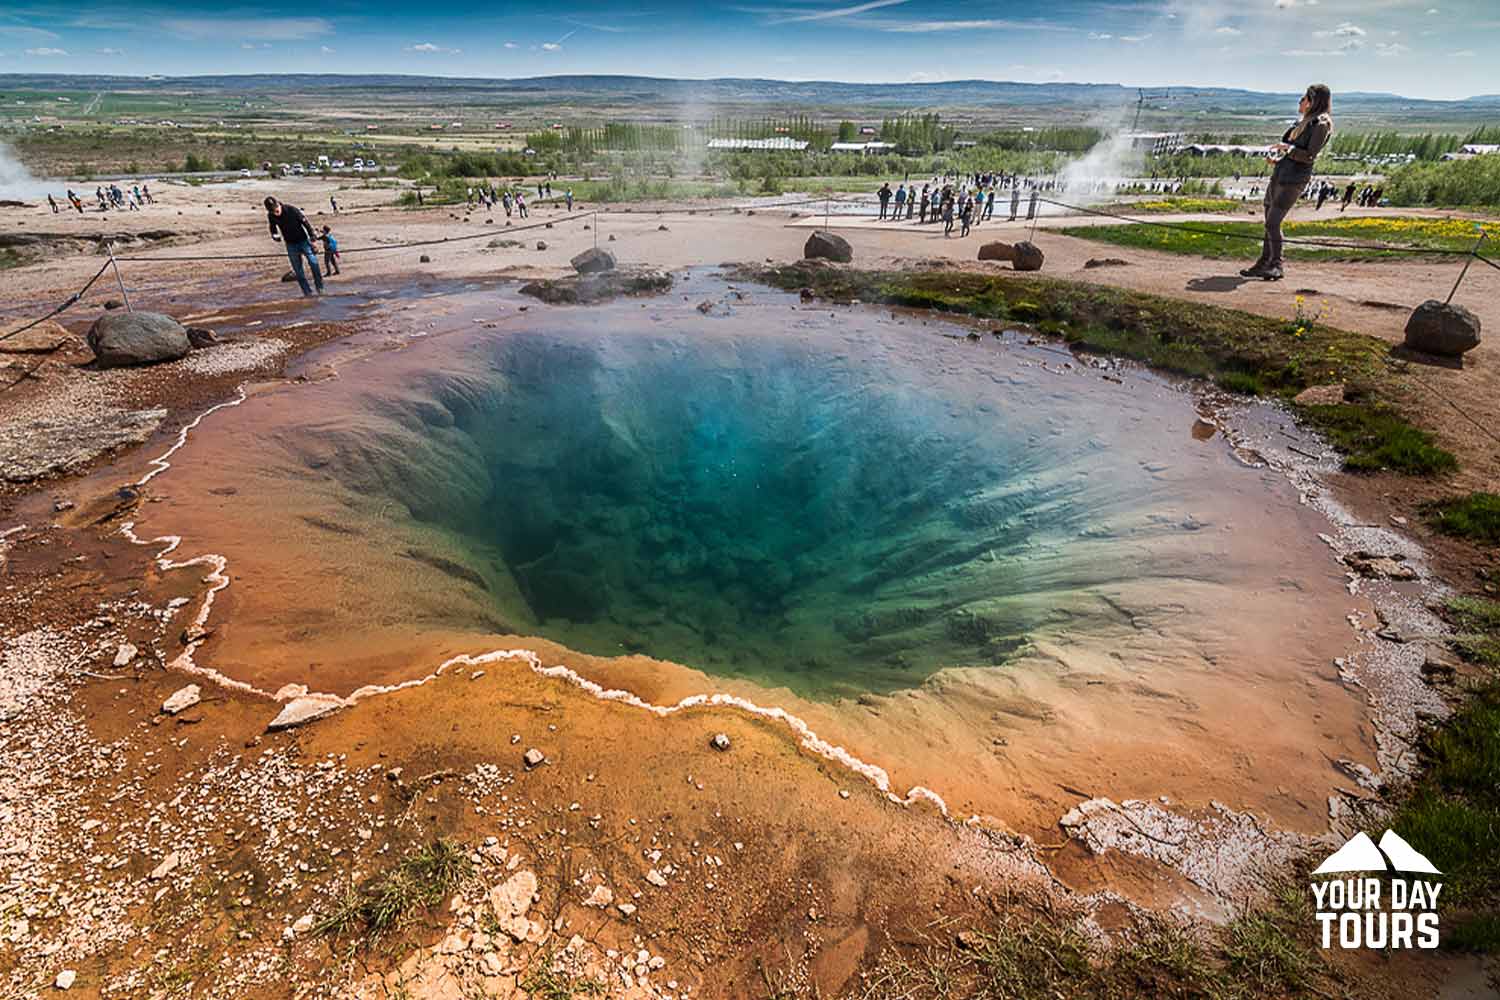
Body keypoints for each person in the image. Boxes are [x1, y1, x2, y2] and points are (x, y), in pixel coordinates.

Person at [1241, 84, 1332, 282]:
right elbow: (1291, 150)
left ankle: (1276, 265)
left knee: (1273, 222)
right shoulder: (1303, 122)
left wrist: (1287, 149)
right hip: (1280, 174)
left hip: (1294, 179)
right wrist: (1278, 159)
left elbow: (1309, 155)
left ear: (1313, 101)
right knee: (1269, 222)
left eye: (1305, 98)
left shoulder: (1321, 124)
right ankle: (1264, 263)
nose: (1301, 101)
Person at [264, 196, 323, 296]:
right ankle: (307, 293)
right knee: (298, 271)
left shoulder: (291, 210)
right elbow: (272, 227)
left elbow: (305, 223)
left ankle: (320, 288)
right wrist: (275, 235)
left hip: (303, 241)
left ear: (278, 204)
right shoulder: (271, 215)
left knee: (313, 263)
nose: (275, 212)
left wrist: (312, 236)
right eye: (272, 211)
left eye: (276, 209)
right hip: (290, 244)